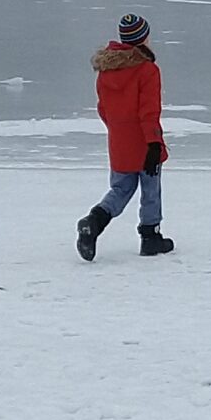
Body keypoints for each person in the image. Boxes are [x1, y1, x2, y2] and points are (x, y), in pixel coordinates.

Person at [76, 14, 174, 261]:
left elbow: (103, 108)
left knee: (121, 189)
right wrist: (154, 142)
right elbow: (149, 112)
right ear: (143, 38)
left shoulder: (106, 71)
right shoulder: (147, 70)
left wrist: (118, 131)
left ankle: (94, 222)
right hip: (144, 141)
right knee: (150, 189)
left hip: (119, 141)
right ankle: (150, 236)